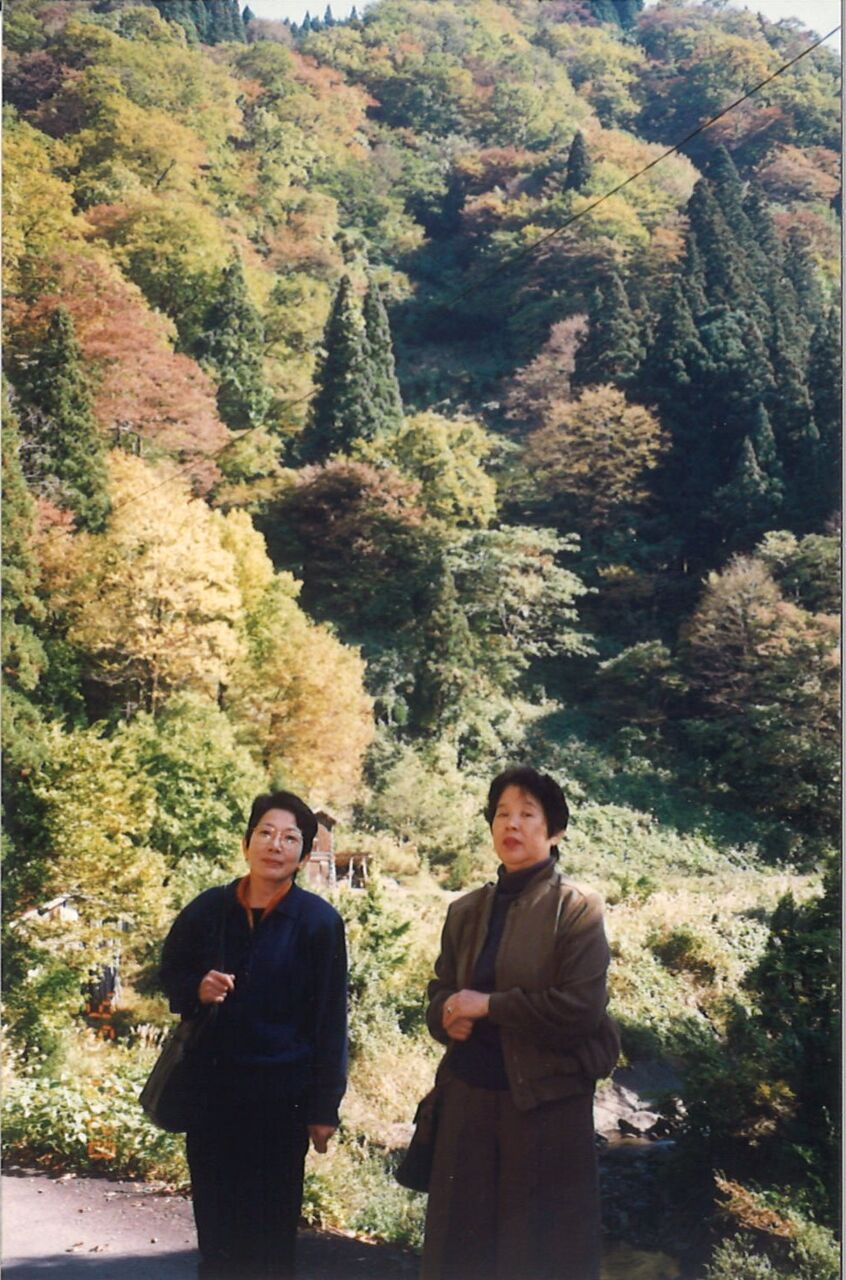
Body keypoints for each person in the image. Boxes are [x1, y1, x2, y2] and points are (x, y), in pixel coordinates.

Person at [421, 765, 619, 1280]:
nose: (511, 824)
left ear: (555, 831)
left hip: (544, 1108)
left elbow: (580, 1010)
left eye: (528, 814)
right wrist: (445, 1014)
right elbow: (441, 991)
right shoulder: (465, 910)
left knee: (537, 1256)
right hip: (467, 1101)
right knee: (458, 1254)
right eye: (502, 814)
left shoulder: (577, 908)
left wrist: (488, 1006)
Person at [160, 790, 347, 1280]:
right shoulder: (209, 909)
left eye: (289, 838)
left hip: (280, 1104)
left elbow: (331, 1019)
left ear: (303, 856)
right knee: (218, 1237)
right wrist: (196, 987)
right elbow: (169, 971)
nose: (275, 845)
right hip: (212, 1098)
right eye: (265, 833)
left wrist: (324, 1107)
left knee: (269, 1242)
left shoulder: (319, 923)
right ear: (246, 843)